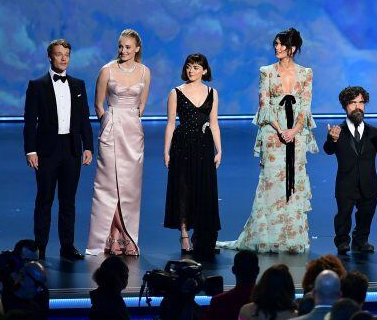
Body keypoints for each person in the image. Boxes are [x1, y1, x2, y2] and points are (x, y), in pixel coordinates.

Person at [220, 27, 318, 253]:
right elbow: (264, 104)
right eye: (275, 44)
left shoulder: (306, 73)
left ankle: (292, 238)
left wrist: (293, 131)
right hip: (273, 133)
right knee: (271, 182)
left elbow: (305, 105)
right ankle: (266, 237)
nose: (277, 48)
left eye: (282, 44)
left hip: (297, 134)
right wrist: (280, 129)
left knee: (294, 183)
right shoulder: (266, 71)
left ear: (292, 48)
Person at [23, 39, 94, 260]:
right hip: (46, 151)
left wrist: (88, 147)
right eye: (59, 54)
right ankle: (40, 247)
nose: (64, 58)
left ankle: (67, 246)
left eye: (67, 54)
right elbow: (29, 121)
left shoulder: (78, 85)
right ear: (50, 57)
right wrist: (30, 150)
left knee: (68, 200)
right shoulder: (37, 85)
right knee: (44, 199)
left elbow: (84, 119)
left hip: (72, 149)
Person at [86, 29, 150, 256]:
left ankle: (127, 237)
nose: (123, 50)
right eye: (121, 46)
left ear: (137, 49)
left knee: (130, 186)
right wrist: (109, 122)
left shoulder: (144, 72)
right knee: (108, 183)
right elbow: (98, 103)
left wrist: (132, 120)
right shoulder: (107, 70)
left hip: (133, 131)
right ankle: (109, 238)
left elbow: (142, 105)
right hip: (112, 128)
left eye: (128, 47)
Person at [324, 86, 377, 254]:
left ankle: (360, 240)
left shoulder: (373, 132)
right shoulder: (337, 131)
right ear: (344, 106)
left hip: (368, 182)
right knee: (343, 215)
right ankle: (342, 241)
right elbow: (328, 149)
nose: (358, 107)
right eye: (352, 103)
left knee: (366, 214)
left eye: (361, 102)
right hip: (346, 183)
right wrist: (332, 139)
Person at [163, 53, 222, 256]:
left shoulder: (212, 92)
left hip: (204, 146)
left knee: (203, 188)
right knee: (183, 189)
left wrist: (219, 149)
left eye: (196, 67)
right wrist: (166, 150)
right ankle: (184, 233)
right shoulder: (176, 92)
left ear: (204, 70)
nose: (191, 71)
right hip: (182, 145)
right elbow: (171, 123)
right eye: (189, 66)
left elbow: (214, 122)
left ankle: (201, 235)